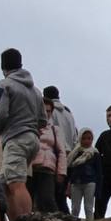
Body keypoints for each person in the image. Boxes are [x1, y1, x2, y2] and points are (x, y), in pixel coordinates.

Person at [0, 48, 44, 220]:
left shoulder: (4, 84)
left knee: (16, 183)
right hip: (33, 140)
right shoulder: (35, 90)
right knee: (3, 185)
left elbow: (1, 114)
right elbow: (43, 119)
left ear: (3, 67)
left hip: (15, 139)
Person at [43, 85, 79, 213]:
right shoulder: (68, 113)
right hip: (71, 156)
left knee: (53, 194)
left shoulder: (50, 112)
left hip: (56, 155)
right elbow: (75, 136)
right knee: (61, 194)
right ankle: (66, 219)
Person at [29, 97, 66, 214]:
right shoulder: (29, 126)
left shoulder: (55, 129)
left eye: (49, 111)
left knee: (47, 200)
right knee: (29, 201)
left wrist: (61, 172)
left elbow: (61, 151)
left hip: (47, 167)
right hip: (29, 168)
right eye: (44, 110)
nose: (46, 113)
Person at [66, 129, 101, 220]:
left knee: (88, 207)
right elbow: (70, 169)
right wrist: (68, 185)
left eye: (89, 138)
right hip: (76, 183)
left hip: (90, 182)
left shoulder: (94, 153)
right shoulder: (75, 153)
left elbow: (99, 172)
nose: (86, 141)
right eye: (84, 138)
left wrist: (98, 189)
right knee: (75, 208)